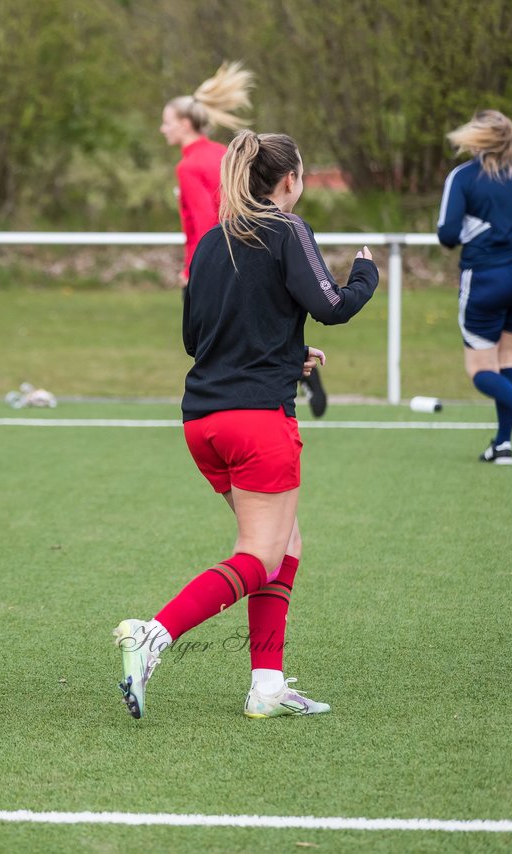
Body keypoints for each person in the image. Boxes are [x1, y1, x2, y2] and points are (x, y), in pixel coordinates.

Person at [114, 130, 379, 720]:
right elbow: (332, 305)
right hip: (257, 420)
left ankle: (267, 686)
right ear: (289, 180)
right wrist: (367, 276)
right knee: (260, 554)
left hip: (203, 422)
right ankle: (152, 634)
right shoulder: (288, 229)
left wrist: (288, 354)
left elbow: (196, 339)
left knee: (285, 545)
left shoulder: (210, 241)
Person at [160, 62, 329, 417]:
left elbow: (208, 225)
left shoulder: (188, 166)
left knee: (218, 343)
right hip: (258, 248)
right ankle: (299, 370)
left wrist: (195, 269)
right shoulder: (227, 152)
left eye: (168, 121)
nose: (163, 128)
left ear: (186, 123)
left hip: (225, 256)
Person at [437, 109, 512, 464]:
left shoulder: (463, 177)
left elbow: (447, 234)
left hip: (484, 279)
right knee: (508, 358)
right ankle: (503, 444)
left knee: (480, 370)